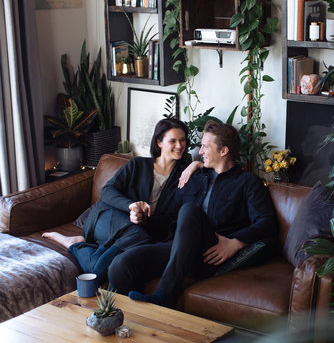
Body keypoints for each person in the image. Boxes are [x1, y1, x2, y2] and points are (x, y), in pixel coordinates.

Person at [108, 120, 278, 307]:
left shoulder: (248, 182)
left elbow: (267, 222)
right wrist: (143, 219)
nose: (200, 152)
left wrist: (236, 243)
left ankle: (165, 295)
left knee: (190, 210)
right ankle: (133, 325)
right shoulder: (193, 177)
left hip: (208, 254)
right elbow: (170, 219)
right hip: (176, 248)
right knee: (121, 265)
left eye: (205, 147)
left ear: (223, 151)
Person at [42, 118, 199, 284]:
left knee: (101, 270)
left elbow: (173, 218)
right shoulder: (137, 165)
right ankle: (76, 243)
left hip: (138, 231)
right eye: (172, 141)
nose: (179, 145)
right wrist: (131, 206)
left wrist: (196, 164)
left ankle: (75, 244)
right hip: (107, 216)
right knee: (139, 235)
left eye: (182, 140)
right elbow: (107, 192)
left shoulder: (183, 178)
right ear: (159, 142)